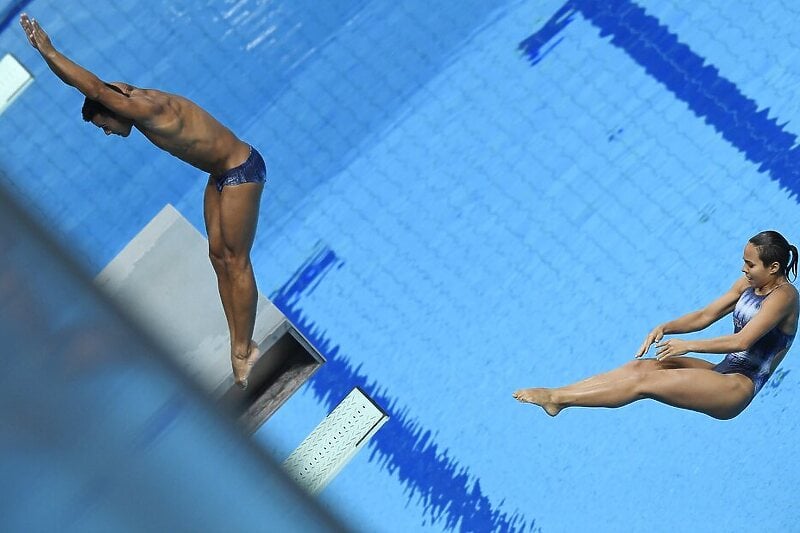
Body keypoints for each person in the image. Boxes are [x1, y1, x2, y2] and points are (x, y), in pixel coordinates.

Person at [20, 14, 265, 388]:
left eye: (105, 126)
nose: (108, 133)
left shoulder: (146, 109)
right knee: (218, 256)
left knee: (236, 260)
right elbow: (102, 89)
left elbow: (94, 89)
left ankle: (245, 350)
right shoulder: (130, 94)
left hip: (239, 170)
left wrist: (48, 51)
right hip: (218, 175)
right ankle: (238, 344)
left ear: (116, 111)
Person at [513, 231, 799, 420]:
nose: (743, 269)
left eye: (750, 265)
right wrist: (666, 327)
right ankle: (559, 393)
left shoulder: (784, 298)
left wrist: (687, 346)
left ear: (773, 268)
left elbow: (742, 342)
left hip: (737, 387)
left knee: (644, 384)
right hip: (722, 371)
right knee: (640, 368)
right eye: (743, 262)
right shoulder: (747, 285)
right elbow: (704, 316)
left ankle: (558, 399)